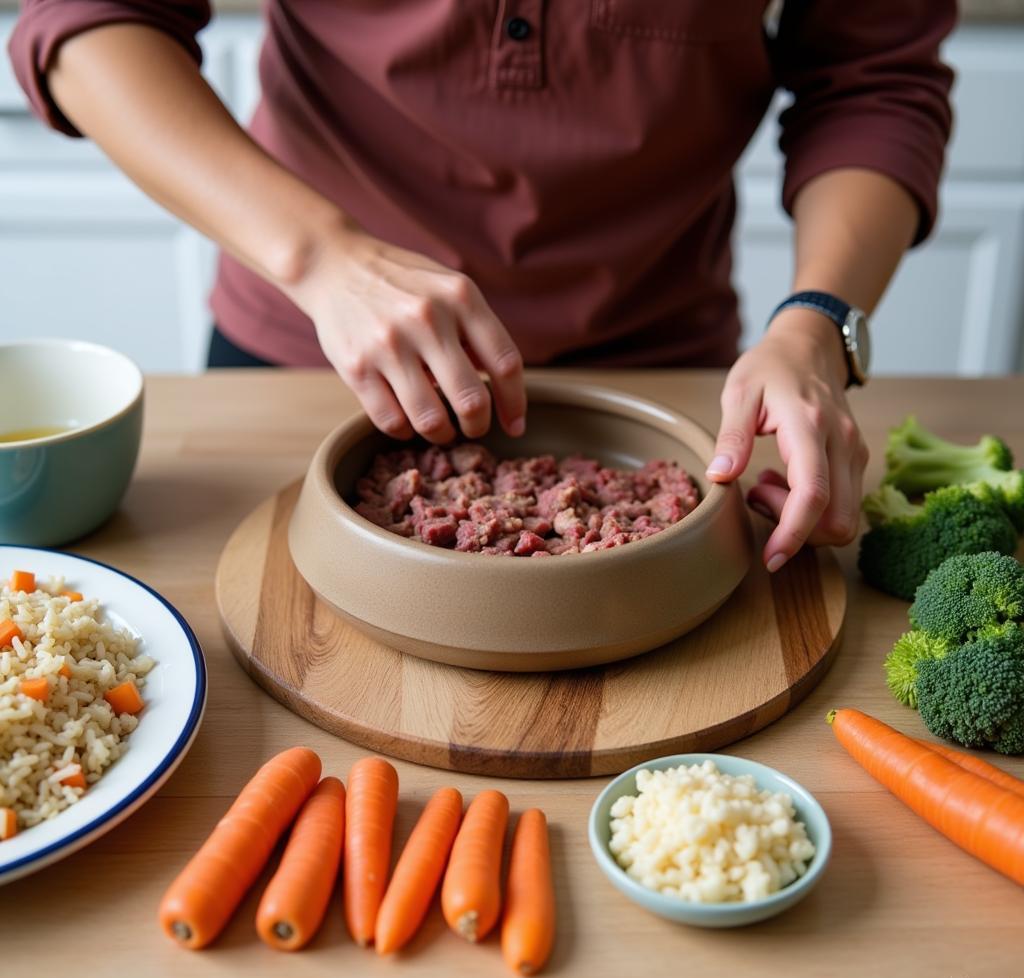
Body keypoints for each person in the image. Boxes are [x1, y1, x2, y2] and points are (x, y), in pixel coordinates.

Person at [9, 1, 954, 572]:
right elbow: (87, 22)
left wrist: (818, 325)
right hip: (309, 349)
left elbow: (873, 80)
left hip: (667, 371)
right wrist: (319, 256)